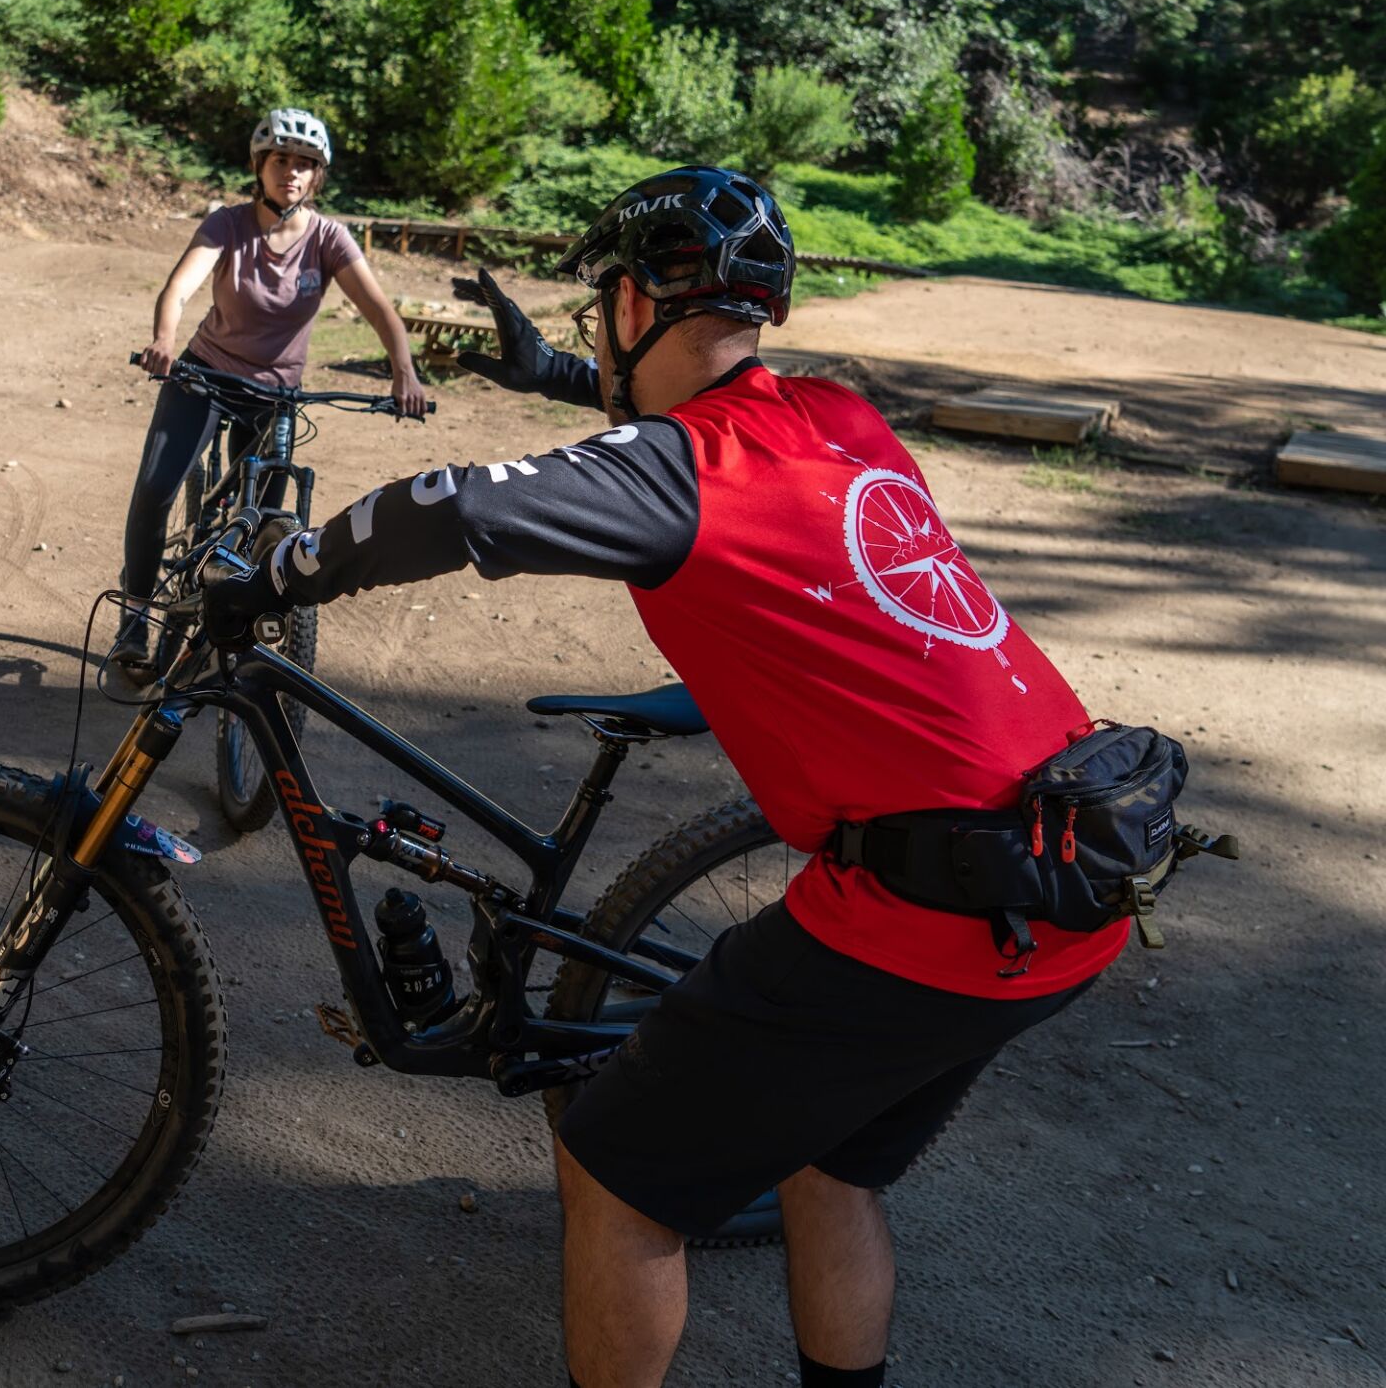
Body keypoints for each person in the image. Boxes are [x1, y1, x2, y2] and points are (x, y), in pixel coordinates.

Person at [206, 167, 1127, 1388]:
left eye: (601, 310)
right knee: (829, 1166)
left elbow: (448, 508)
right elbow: (695, 427)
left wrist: (275, 576)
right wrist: (550, 374)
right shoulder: (838, 416)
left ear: (634, 304)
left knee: (614, 1176)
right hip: (1071, 873)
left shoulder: (675, 474)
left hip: (921, 916)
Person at [107, 107, 430, 684]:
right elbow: (180, 287)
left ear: (317, 175)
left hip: (277, 395)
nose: (291, 172)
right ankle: (133, 621)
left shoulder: (329, 238)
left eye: (304, 163)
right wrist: (163, 340)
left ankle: (237, 629)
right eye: (281, 159)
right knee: (156, 487)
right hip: (205, 376)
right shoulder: (227, 225)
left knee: (261, 524)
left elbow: (379, 309)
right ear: (260, 166)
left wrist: (403, 371)